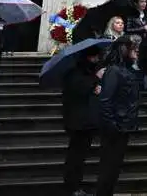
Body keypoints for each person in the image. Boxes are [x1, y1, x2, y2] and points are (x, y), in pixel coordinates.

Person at [96, 37, 142, 196]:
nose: (136, 51)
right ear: (124, 50)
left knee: (114, 169)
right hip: (115, 128)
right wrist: (113, 126)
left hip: (123, 126)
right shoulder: (114, 71)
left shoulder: (128, 70)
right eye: (133, 48)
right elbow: (105, 100)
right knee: (108, 169)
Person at [62, 46, 105, 196]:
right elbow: (80, 89)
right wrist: (96, 78)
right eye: (95, 58)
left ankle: (75, 184)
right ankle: (72, 186)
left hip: (85, 121)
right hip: (78, 122)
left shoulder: (84, 72)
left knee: (79, 155)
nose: (97, 60)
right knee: (76, 156)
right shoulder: (76, 73)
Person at [125, 0, 147, 88]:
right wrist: (142, 28)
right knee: (136, 64)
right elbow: (127, 29)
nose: (144, 3)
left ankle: (144, 84)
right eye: (142, 1)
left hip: (145, 43)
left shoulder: (146, 15)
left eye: (145, 1)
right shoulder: (132, 15)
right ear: (136, 3)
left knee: (145, 64)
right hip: (135, 44)